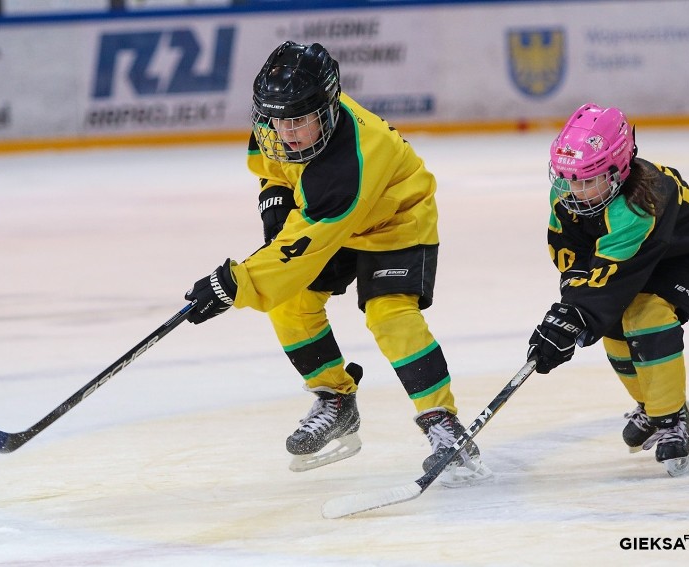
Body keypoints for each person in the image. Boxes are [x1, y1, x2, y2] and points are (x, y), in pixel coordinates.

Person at [183, 40, 490, 486]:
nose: (285, 132)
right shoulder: (283, 114)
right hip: (334, 214)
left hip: (394, 219)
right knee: (289, 303)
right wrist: (275, 196)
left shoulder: (351, 158)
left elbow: (302, 248)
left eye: (298, 122)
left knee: (390, 315)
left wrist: (234, 284)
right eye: (277, 121)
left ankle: (442, 423)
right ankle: (336, 400)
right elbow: (274, 169)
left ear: (326, 111)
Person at [526, 102, 689, 476]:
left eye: (588, 180)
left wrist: (576, 315)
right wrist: (569, 314)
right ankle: (651, 406)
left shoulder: (641, 201)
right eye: (569, 178)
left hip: (681, 255)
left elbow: (613, 276)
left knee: (644, 314)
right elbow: (571, 253)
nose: (576, 190)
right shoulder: (565, 193)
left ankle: (671, 417)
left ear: (618, 170)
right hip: (623, 257)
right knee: (611, 324)